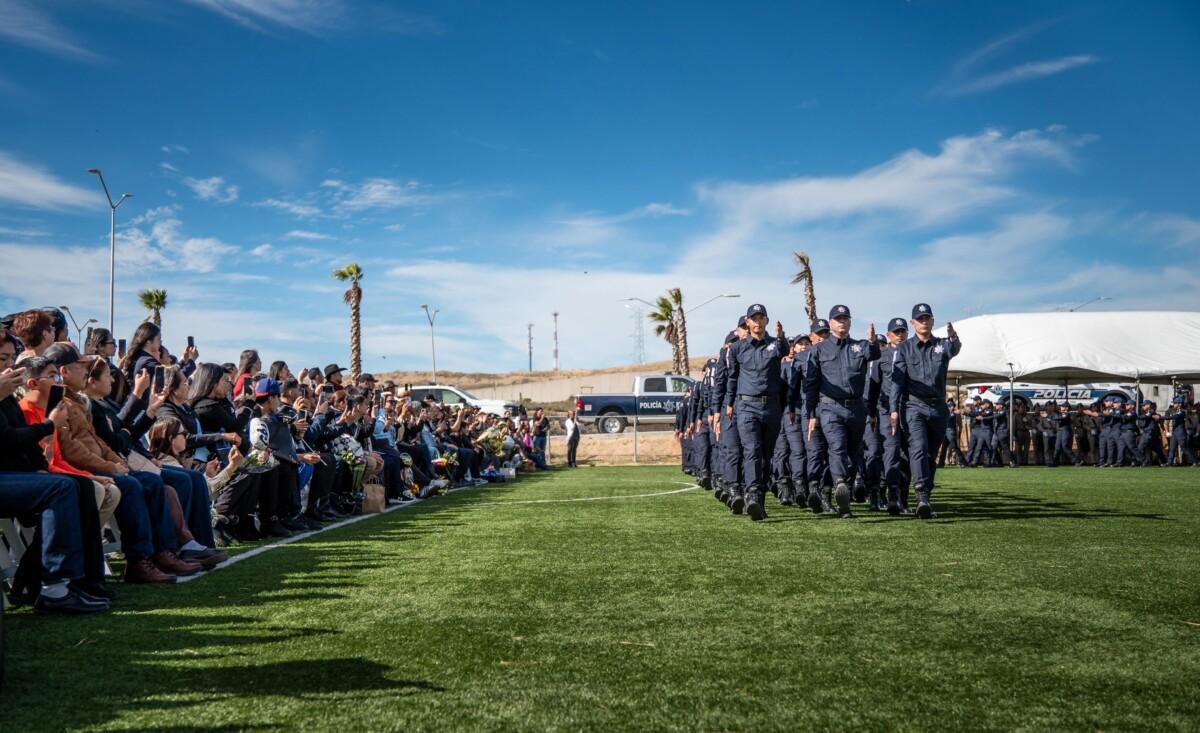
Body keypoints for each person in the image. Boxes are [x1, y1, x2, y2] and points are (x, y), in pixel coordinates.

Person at [802, 305, 879, 519]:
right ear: (830, 323)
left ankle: (843, 489)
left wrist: (873, 341)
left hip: (856, 408)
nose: (842, 322)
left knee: (853, 454)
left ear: (850, 322)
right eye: (838, 319)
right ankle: (840, 483)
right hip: (830, 407)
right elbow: (810, 384)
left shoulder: (859, 346)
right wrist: (811, 414)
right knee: (837, 447)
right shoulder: (819, 349)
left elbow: (873, 354)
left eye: (845, 318)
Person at [888, 303, 961, 519]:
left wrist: (953, 337)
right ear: (913, 323)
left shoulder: (942, 345)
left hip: (938, 408)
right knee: (917, 448)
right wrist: (893, 409)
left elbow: (954, 349)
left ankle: (926, 495)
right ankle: (921, 495)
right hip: (913, 406)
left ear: (932, 321)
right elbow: (897, 382)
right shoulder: (904, 348)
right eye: (920, 319)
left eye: (927, 318)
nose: (924, 322)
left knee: (930, 455)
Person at [725, 305, 789, 521]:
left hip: (771, 407)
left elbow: (784, 351)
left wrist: (781, 337)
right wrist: (729, 403)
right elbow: (732, 377)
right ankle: (752, 494)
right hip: (746, 406)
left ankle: (759, 501)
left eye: (761, 318)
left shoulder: (775, 344)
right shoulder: (738, 348)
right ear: (748, 322)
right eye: (754, 318)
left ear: (767, 321)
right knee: (752, 450)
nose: (758, 322)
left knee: (766, 456)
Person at [869, 318, 909, 512]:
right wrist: (872, 413)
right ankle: (887, 494)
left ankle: (904, 499)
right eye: (896, 332)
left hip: (909, 408)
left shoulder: (912, 352)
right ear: (889, 334)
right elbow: (874, 387)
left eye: (903, 331)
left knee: (907, 456)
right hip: (885, 410)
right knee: (890, 452)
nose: (900, 335)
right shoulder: (881, 356)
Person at [1164, 396, 1197, 466]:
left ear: (1179, 404)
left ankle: (1194, 461)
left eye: (1175, 403)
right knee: (1172, 448)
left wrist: (1161, 417)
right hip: (1174, 431)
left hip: (1180, 432)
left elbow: (1175, 417)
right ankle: (1169, 462)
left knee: (1183, 447)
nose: (1174, 404)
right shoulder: (1175, 410)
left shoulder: (1182, 411)